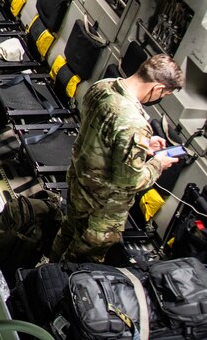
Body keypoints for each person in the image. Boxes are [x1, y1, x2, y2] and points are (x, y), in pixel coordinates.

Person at [50, 54, 184, 262]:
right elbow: (130, 182)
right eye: (163, 94)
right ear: (157, 89)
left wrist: (141, 146)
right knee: (80, 259)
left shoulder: (104, 86)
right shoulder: (134, 123)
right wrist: (158, 163)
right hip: (101, 206)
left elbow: (102, 133)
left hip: (78, 183)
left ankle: (45, 270)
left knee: (66, 231)